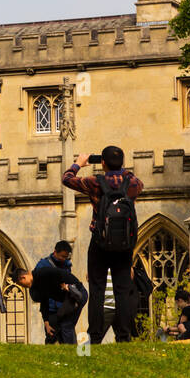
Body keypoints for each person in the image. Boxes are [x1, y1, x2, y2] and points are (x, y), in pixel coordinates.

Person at [63, 146, 143, 344]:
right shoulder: (132, 183)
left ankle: (96, 337)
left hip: (99, 242)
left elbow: (66, 179)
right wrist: (121, 171)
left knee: (97, 289)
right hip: (124, 244)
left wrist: (78, 164)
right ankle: (124, 336)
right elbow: (138, 182)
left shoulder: (94, 183)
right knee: (122, 290)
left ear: (102, 163)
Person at [13, 241, 87, 344]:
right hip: (61, 303)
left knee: (66, 325)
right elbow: (44, 301)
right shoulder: (40, 274)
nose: (24, 287)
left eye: (22, 284)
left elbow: (59, 274)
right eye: (62, 256)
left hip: (76, 294)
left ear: (23, 277)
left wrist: (67, 286)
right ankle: (67, 352)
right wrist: (46, 322)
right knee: (58, 330)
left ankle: (71, 353)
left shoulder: (42, 273)